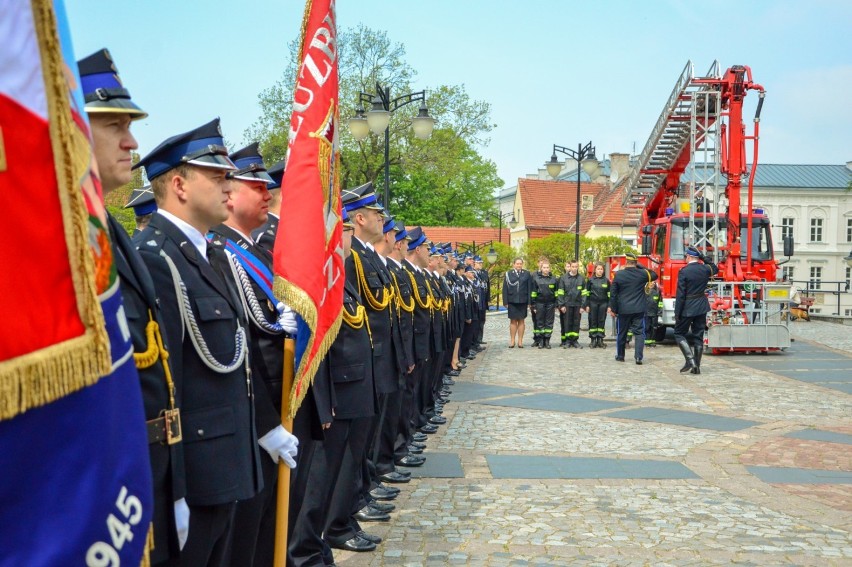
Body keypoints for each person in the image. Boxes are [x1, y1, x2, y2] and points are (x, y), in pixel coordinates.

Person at [133, 118, 264, 566]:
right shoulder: (155, 258)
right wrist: (176, 489)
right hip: (197, 477)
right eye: (217, 176)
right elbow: (161, 391)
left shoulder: (210, 255)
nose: (229, 187)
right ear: (179, 185)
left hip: (227, 466)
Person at [78, 48, 187, 567]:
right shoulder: (59, 233)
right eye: (114, 125)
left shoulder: (109, 228)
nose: (132, 141)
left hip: (146, 461)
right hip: (98, 477)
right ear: (69, 126)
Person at [207, 143, 300, 566]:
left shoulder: (258, 252)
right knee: (244, 543)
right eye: (256, 184)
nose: (267, 192)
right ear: (229, 192)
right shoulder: (222, 254)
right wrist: (267, 423)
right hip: (252, 421)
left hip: (277, 409)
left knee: (266, 535)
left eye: (268, 185)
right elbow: (236, 351)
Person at [608, 253, 658, 365]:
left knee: (622, 333)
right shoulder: (642, 274)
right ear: (636, 263)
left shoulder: (619, 275)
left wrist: (614, 309)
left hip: (623, 309)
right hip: (639, 309)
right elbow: (654, 275)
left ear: (626, 262)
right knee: (639, 333)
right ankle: (638, 357)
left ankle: (620, 356)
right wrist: (642, 267)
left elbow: (613, 293)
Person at [674, 246, 718, 373]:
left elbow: (681, 294)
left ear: (688, 256)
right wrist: (704, 258)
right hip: (701, 305)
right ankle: (696, 367)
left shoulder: (684, 271)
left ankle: (691, 361)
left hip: (688, 306)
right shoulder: (705, 269)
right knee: (698, 336)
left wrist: (678, 312)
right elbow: (715, 268)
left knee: (679, 333)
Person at [502, 257, 532, 348]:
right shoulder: (508, 274)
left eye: (520, 263)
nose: (519, 265)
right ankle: (512, 341)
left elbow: (529, 288)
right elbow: (505, 288)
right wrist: (505, 301)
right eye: (517, 263)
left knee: (522, 321)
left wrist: (529, 302)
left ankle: (520, 341)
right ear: (514, 264)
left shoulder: (527, 274)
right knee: (513, 321)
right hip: (512, 300)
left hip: (523, 300)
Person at [557, 260, 587, 348]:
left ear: (578, 267)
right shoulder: (563, 278)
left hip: (577, 305)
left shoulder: (581, 278)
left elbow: (584, 293)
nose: (574, 268)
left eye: (576, 267)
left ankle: (575, 340)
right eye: (573, 267)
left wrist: (583, 306)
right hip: (567, 304)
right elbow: (560, 292)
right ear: (570, 267)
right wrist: (561, 305)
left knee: (576, 323)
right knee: (567, 323)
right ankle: (568, 341)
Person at [529, 260, 558, 349]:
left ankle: (547, 341)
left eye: (547, 267)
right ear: (541, 268)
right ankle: (541, 341)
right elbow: (533, 293)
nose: (546, 269)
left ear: (550, 269)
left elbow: (557, 293)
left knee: (549, 323)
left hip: (550, 304)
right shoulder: (536, 279)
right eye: (544, 267)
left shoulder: (554, 279)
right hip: (539, 303)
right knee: (540, 322)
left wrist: (556, 305)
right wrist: (533, 305)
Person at [585, 262, 610, 348]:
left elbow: (609, 294)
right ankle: (593, 340)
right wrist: (587, 305)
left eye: (601, 269)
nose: (600, 271)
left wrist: (609, 306)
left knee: (601, 321)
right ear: (595, 270)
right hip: (593, 303)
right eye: (598, 269)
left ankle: (600, 340)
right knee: (593, 321)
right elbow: (587, 294)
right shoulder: (590, 280)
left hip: (603, 303)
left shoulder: (606, 281)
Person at [644, 280, 663, 348]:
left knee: (654, 328)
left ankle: (653, 341)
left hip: (655, 313)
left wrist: (660, 311)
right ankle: (647, 341)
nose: (652, 284)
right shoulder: (645, 291)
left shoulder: (658, 291)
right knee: (647, 327)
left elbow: (660, 302)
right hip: (646, 313)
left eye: (653, 283)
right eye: (650, 283)